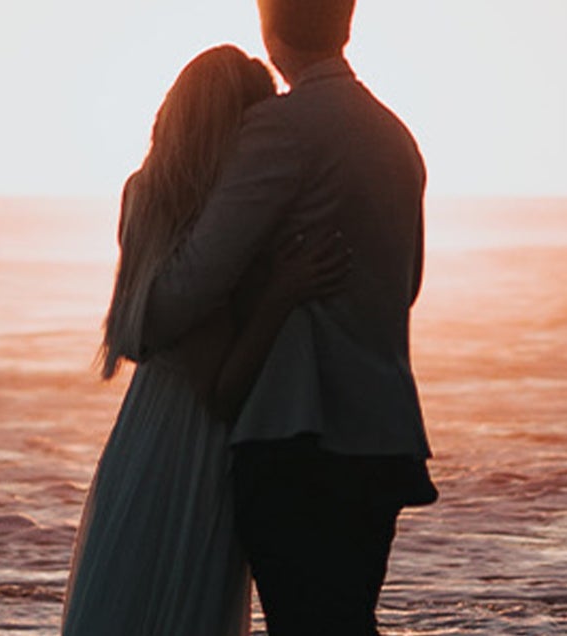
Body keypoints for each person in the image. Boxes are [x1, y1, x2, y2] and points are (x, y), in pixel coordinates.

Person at [135, 0, 438, 633]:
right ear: (347, 23)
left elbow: (195, 281)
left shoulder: (280, 128)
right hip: (382, 438)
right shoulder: (397, 137)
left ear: (267, 29)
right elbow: (404, 287)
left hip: (297, 436)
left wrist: (146, 310)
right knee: (347, 621)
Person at [65, 44, 351, 635]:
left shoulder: (146, 198)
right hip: (192, 456)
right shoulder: (198, 234)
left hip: (143, 437)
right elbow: (221, 390)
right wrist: (282, 293)